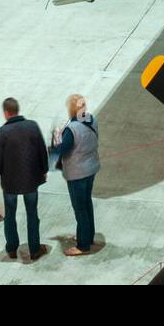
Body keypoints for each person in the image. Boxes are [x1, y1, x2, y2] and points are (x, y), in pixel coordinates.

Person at [0, 97, 50, 261]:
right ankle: (35, 249)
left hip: (10, 183)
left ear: (6, 113)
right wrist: (44, 169)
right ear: (17, 110)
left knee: (10, 215)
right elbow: (42, 150)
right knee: (32, 214)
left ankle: (12, 249)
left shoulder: (2, 133)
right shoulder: (32, 126)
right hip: (31, 180)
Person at [51, 94, 100, 257]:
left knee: (80, 209)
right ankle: (88, 236)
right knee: (87, 203)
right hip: (91, 168)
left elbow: (61, 149)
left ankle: (83, 245)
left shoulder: (72, 129)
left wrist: (55, 141)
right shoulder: (91, 119)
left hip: (77, 173)